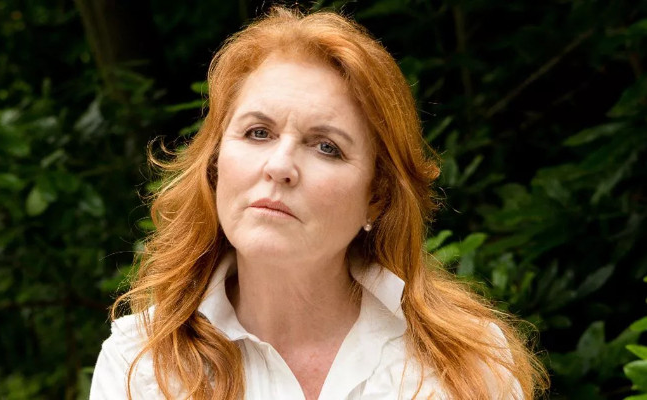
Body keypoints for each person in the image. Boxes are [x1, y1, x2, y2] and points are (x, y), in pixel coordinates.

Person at [90, 6, 548, 400]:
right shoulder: (141, 365)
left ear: (376, 196)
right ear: (214, 163)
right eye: (258, 132)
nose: (280, 166)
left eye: (326, 147)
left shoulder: (463, 364)